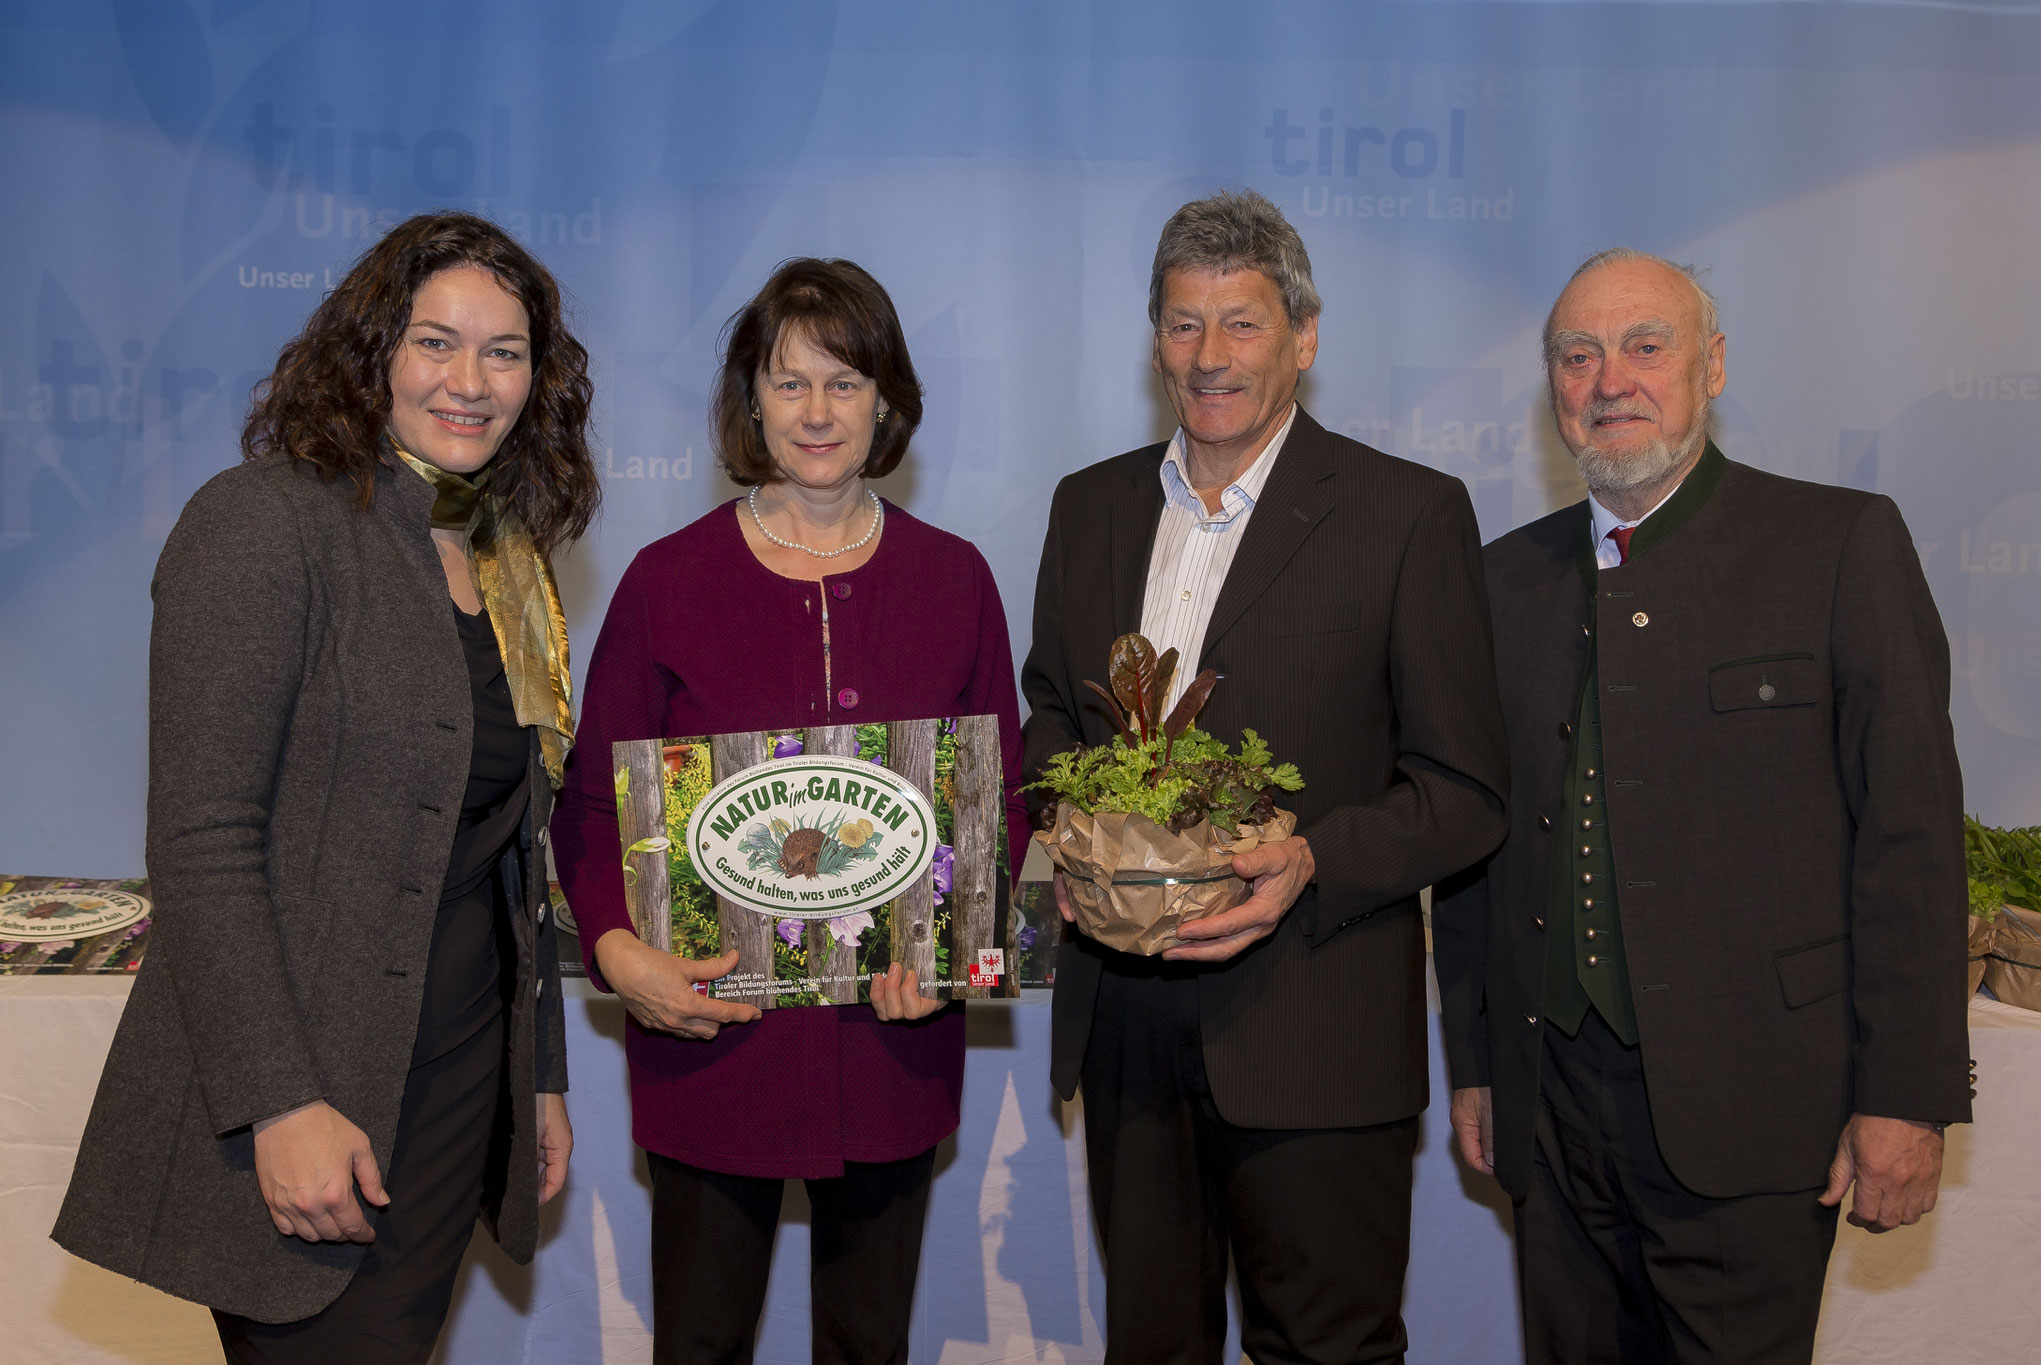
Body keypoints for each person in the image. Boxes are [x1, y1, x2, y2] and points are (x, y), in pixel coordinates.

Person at [52, 212, 596, 1361]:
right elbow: (203, 840)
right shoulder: (261, 522)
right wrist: (278, 1105)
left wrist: (534, 1079)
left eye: (505, 352)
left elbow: (513, 854)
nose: (471, 380)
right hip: (309, 1090)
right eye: (435, 342)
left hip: (455, 1087)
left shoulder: (507, 560)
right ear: (369, 353)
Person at [1431, 248, 1974, 1364]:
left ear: (1710, 365)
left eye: (1643, 346)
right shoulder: (1496, 584)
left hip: (1757, 1116)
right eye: (1575, 356)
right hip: (1553, 1107)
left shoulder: (1836, 546)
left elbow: (1908, 841)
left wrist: (1905, 1098)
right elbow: (1476, 846)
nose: (1607, 381)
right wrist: (1478, 1062)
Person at [1018, 189, 1509, 1364]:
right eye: (1182, 325)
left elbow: (1465, 789)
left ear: (1305, 335)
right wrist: (1072, 831)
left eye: (1240, 324)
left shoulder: (1406, 516)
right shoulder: (1086, 508)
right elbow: (1045, 718)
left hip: (1316, 1029)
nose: (1209, 356)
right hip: (1127, 1021)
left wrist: (1308, 861)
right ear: (1152, 341)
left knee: (1325, 1351)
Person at [549, 257, 1027, 1364]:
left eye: (845, 382)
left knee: (869, 1348)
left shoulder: (956, 580)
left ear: (887, 402)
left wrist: (958, 959)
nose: (816, 412)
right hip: (713, 1046)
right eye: (788, 381)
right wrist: (620, 953)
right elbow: (589, 807)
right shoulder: (666, 582)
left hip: (893, 1050)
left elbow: (992, 807)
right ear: (747, 400)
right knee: (700, 1347)